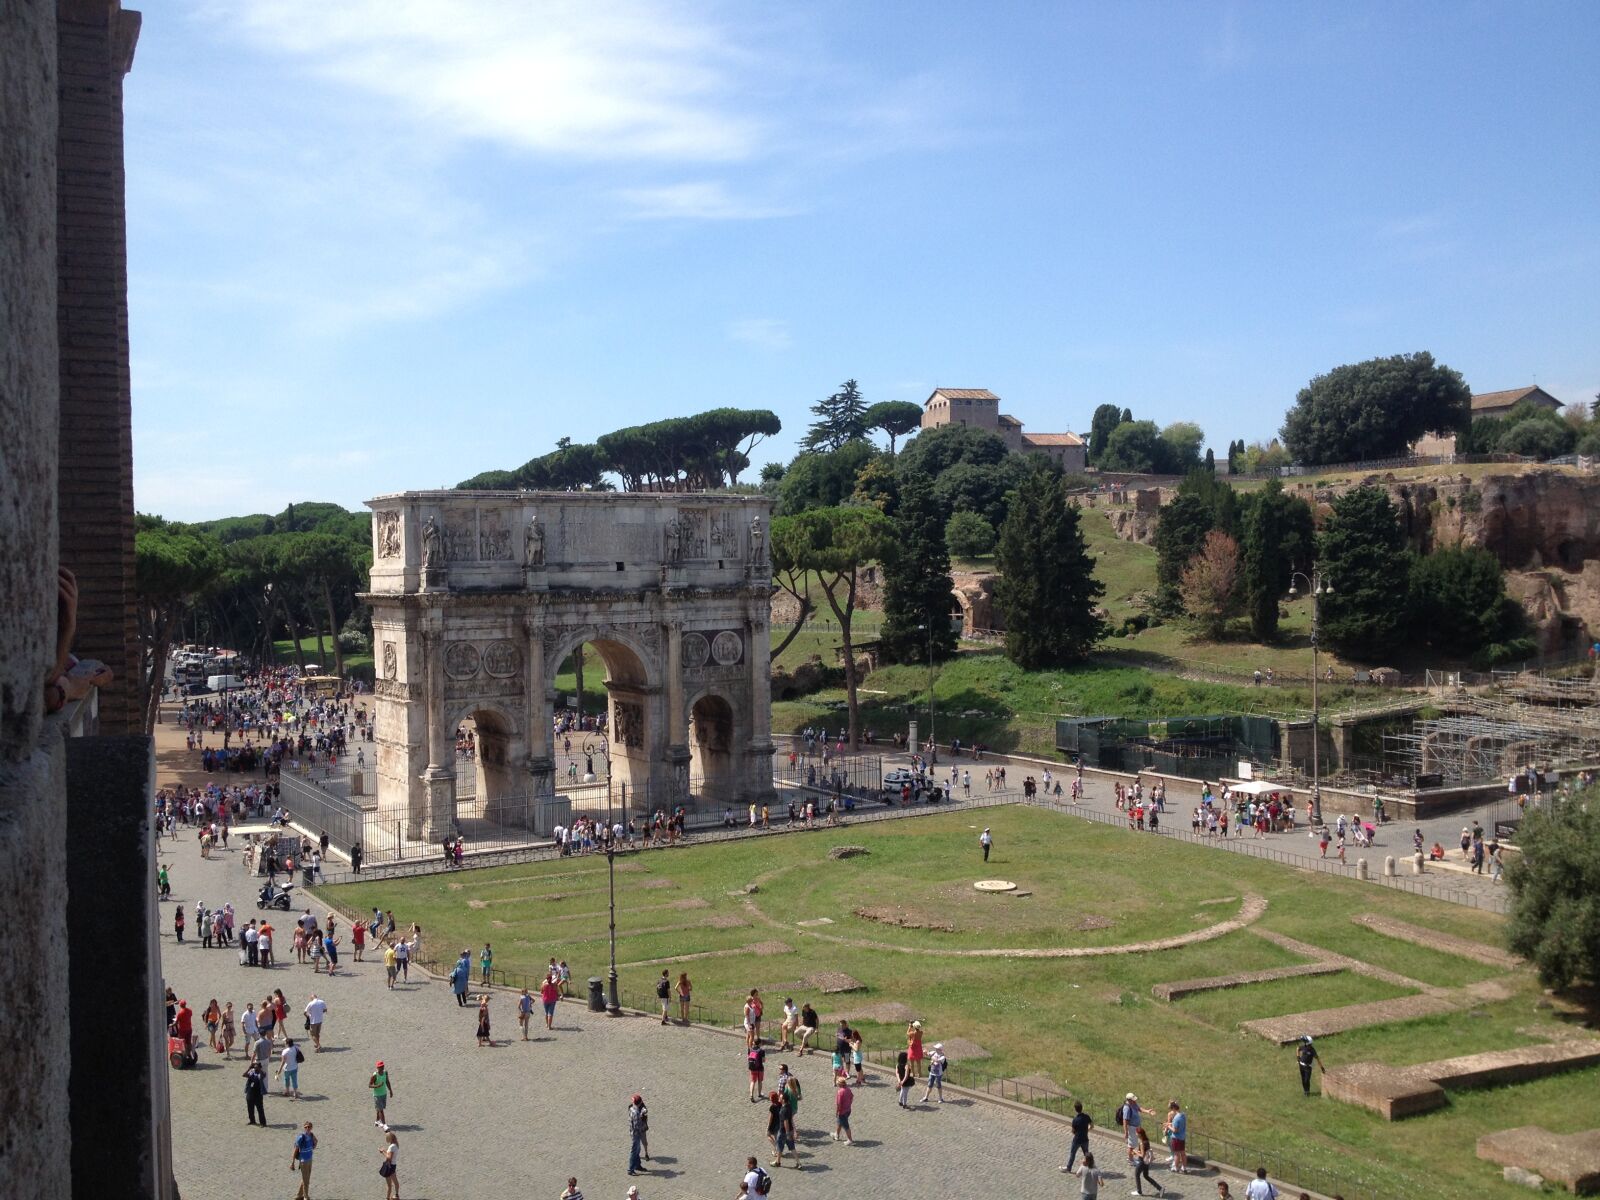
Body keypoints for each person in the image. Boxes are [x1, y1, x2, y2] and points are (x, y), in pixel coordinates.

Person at [1062, 1100, 1093, 1172]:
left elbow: (1073, 1131)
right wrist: (1087, 1130)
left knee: (1073, 1154)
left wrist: (1077, 1133)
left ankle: (1069, 1168)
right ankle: (1090, 1167)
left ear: (1075, 1109)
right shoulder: (1086, 1117)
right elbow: (1092, 1125)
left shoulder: (1075, 1120)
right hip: (1085, 1139)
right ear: (1082, 1108)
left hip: (1077, 1140)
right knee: (1086, 1154)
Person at [289, 1121, 316, 1200]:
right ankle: (306, 1197)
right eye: (306, 1127)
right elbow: (296, 1149)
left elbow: (316, 1141)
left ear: (311, 1128)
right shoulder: (301, 1137)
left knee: (306, 1179)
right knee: (306, 1181)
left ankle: (299, 1195)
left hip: (310, 1159)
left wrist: (313, 1147)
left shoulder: (311, 1135)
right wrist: (292, 1162)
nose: (307, 1128)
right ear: (304, 1128)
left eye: (309, 1127)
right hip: (303, 1161)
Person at [1131, 1127, 1159, 1196]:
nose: (1136, 1134)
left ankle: (1139, 1191)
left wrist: (1135, 1152)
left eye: (1136, 1133)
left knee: (1137, 1174)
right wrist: (1138, 1152)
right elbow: (1145, 1151)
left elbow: (1142, 1155)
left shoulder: (1141, 1143)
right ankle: (1160, 1188)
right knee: (1146, 1176)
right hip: (1147, 1162)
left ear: (1139, 1134)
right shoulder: (1146, 1140)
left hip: (1142, 1162)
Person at [1164, 1099, 1188, 1173]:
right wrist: (1170, 1124)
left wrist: (1168, 1127)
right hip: (1182, 1137)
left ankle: (1176, 1168)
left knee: (1176, 1154)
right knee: (1183, 1154)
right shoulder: (1183, 1115)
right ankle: (1184, 1168)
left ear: (1173, 1108)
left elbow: (1175, 1130)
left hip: (1176, 1138)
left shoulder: (1176, 1118)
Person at [369, 1060, 394, 1129]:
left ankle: (377, 1121)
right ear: (377, 1067)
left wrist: (390, 1090)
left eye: (382, 1066)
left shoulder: (385, 1072)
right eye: (380, 1067)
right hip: (377, 1095)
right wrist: (377, 1086)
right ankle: (384, 1125)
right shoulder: (374, 1075)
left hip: (384, 1094)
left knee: (379, 1109)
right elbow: (370, 1085)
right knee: (381, 1109)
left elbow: (387, 1081)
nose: (382, 1067)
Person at [244, 1059, 268, 1126]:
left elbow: (263, 1075)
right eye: (254, 1066)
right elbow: (244, 1075)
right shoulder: (252, 1072)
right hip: (250, 1092)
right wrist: (249, 1068)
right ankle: (252, 1121)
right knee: (250, 1108)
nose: (255, 1067)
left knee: (260, 1109)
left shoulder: (262, 1073)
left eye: (256, 1066)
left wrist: (259, 1069)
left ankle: (263, 1123)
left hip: (258, 1094)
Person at [628, 1093, 648, 1176]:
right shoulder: (636, 1113)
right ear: (639, 1103)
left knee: (638, 1150)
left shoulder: (632, 1108)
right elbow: (637, 1126)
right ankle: (630, 1169)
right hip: (636, 1134)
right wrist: (642, 1118)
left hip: (633, 1133)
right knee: (634, 1152)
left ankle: (637, 1165)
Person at [833, 1075, 855, 1144]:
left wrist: (837, 1112)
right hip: (848, 1110)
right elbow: (852, 1096)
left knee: (846, 1126)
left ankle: (850, 1140)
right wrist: (849, 1104)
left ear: (839, 1084)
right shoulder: (848, 1089)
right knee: (840, 1122)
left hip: (842, 1111)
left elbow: (838, 1104)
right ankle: (836, 1134)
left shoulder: (840, 1092)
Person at [378, 1129, 399, 1200]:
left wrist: (382, 1151)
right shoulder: (396, 1145)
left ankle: (387, 1198)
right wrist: (385, 1151)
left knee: (389, 1185)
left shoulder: (391, 1147)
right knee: (395, 1182)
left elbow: (388, 1158)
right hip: (393, 1166)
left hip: (389, 1167)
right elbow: (391, 1154)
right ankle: (396, 1195)